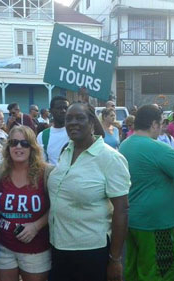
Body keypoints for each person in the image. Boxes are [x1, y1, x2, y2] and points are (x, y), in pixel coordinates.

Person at [48, 102, 131, 281]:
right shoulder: (67, 151)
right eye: (69, 118)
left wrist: (115, 259)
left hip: (91, 252)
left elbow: (122, 210)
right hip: (58, 246)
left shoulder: (110, 158)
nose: (72, 122)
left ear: (92, 122)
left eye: (80, 118)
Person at [119, 105, 174, 281]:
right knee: (159, 271)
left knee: (133, 267)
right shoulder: (158, 148)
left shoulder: (125, 145)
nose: (161, 128)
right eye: (160, 124)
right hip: (156, 223)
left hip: (132, 219)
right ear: (154, 124)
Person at [0, 125, 51, 281]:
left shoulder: (46, 173)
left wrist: (36, 226)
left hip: (36, 249)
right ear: (8, 147)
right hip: (3, 248)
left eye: (24, 143)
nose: (18, 147)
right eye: (14, 143)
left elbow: (57, 207)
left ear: (32, 147)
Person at [37, 96, 69, 165]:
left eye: (66, 108)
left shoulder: (76, 132)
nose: (63, 111)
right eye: (59, 108)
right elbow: (42, 164)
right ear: (51, 111)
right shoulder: (43, 136)